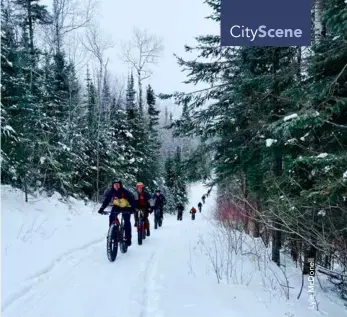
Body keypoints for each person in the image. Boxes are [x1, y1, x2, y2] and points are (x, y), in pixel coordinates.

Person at [98, 179, 135, 246]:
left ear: (120, 185)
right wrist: (101, 208)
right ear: (113, 185)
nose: (116, 186)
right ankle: (112, 233)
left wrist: (133, 208)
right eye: (115, 184)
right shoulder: (111, 192)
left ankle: (128, 238)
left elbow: (131, 199)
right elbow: (106, 200)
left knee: (127, 221)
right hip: (117, 206)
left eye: (118, 184)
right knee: (112, 217)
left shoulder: (124, 191)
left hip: (126, 207)